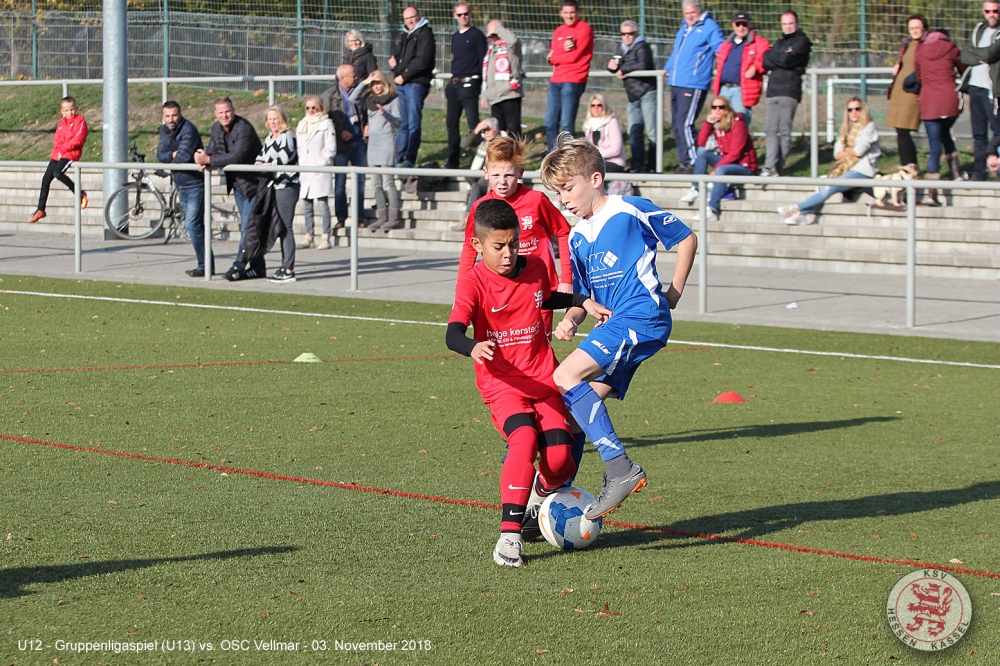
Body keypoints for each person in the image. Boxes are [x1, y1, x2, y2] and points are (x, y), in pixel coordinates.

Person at [540, 134, 698, 520]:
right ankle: (557, 494)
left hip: (640, 317)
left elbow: (686, 238)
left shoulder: (629, 209)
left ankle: (620, 470)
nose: (563, 199)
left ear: (595, 179)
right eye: (557, 192)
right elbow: (583, 298)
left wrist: (674, 292)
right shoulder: (577, 237)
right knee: (575, 408)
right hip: (615, 324)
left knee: (565, 376)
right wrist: (571, 319)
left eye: (568, 188)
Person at [446, 197, 609, 567]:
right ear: (477, 245)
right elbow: (452, 333)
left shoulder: (534, 266)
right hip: (502, 384)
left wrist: (581, 301)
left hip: (543, 378)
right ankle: (509, 538)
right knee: (523, 440)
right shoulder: (473, 283)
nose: (508, 253)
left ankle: (538, 495)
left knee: (561, 459)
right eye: (498, 246)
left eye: (514, 244)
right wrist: (473, 346)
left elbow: (544, 297)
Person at [458, 135, 574, 325]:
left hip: (539, 289)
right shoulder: (480, 207)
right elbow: (470, 248)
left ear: (520, 173)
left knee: (536, 342)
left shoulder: (536, 200)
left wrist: (566, 279)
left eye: (508, 175)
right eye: (496, 175)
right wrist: (462, 291)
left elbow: (563, 232)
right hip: (498, 291)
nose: (502, 182)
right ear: (485, 173)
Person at [777, 97, 879, 225]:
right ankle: (801, 214)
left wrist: (846, 149)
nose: (854, 112)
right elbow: (837, 154)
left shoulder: (869, 126)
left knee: (829, 186)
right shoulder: (846, 129)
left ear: (863, 110)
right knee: (827, 186)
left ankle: (796, 208)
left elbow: (859, 151)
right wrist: (849, 150)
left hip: (863, 169)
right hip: (846, 168)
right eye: (850, 110)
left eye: (857, 109)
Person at [194, 97, 263, 281]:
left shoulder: (244, 128)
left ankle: (239, 265)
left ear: (233, 110)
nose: (224, 115)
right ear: (215, 114)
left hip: (255, 184)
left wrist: (209, 160)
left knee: (248, 226)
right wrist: (202, 159)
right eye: (221, 112)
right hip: (238, 184)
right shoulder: (216, 128)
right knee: (250, 226)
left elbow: (237, 156)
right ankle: (258, 267)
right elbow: (212, 150)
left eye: (227, 111)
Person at [664, 0, 724, 174]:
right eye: (687, 13)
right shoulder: (683, 29)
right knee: (676, 125)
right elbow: (676, 53)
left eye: (693, 13)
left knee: (685, 123)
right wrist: (668, 69)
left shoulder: (709, 27)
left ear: (699, 11)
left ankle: (694, 162)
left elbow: (720, 48)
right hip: (676, 82)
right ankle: (684, 161)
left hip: (693, 83)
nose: (690, 16)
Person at [678, 96, 757, 221]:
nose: (718, 110)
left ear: (728, 109)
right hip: (727, 162)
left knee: (720, 170)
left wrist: (716, 169)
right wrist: (708, 124)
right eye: (714, 107)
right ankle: (696, 188)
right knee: (702, 152)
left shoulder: (738, 124)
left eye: (721, 107)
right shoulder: (717, 124)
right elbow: (701, 143)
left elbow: (736, 153)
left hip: (744, 166)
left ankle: (713, 209)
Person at [914, 28, 968, 202]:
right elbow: (964, 69)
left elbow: (918, 75)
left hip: (929, 100)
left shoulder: (920, 50)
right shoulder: (951, 48)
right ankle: (955, 172)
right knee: (944, 132)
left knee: (934, 146)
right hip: (949, 98)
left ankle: (932, 193)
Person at [157, 101, 209, 277]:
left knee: (192, 225)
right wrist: (172, 154)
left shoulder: (188, 129)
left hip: (195, 184)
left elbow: (183, 157)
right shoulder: (164, 130)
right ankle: (205, 265)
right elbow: (160, 155)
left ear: (180, 114)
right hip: (181, 184)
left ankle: (204, 265)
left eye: (174, 115)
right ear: (163, 116)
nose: (171, 119)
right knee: (196, 226)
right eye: (167, 116)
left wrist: (172, 156)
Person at [760, 11, 812, 177]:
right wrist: (781, 56)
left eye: (791, 23)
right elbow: (766, 60)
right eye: (785, 24)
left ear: (797, 23)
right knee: (770, 130)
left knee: (784, 131)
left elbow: (786, 60)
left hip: (789, 90)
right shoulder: (780, 43)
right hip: (773, 90)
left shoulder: (802, 41)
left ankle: (778, 168)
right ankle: (769, 167)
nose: (788, 27)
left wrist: (779, 58)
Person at [353, 71, 403, 232]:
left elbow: (399, 122)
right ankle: (381, 217)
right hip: (373, 145)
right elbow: (352, 98)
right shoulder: (369, 100)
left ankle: (393, 217)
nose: (376, 87)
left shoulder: (393, 99)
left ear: (384, 83)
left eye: (378, 83)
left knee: (388, 182)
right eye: (373, 84)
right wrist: (364, 82)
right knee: (376, 184)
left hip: (387, 143)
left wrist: (385, 114)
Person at [255, 105, 299, 284]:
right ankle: (285, 265)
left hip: (287, 185)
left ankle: (289, 269)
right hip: (274, 186)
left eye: (276, 118)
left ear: (282, 119)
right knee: (280, 227)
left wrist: (267, 165)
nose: (273, 122)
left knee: (286, 227)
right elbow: (258, 160)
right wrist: (265, 165)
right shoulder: (269, 138)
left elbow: (283, 159)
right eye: (270, 119)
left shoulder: (287, 136)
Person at [607, 20, 657, 173]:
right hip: (632, 95)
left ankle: (653, 166)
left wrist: (622, 69)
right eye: (624, 34)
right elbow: (614, 64)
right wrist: (611, 68)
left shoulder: (642, 46)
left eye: (630, 33)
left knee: (652, 131)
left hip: (647, 91)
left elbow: (643, 64)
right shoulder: (620, 48)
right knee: (634, 131)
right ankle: (637, 164)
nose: (627, 36)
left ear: (636, 34)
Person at [544, 0, 594, 152]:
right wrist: (559, 53)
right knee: (550, 123)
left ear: (578, 12)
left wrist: (554, 57)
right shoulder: (559, 31)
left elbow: (573, 57)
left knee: (566, 124)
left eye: (572, 12)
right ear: (561, 13)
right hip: (556, 80)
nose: (569, 16)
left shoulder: (584, 29)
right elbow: (550, 58)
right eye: (566, 12)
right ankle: (552, 156)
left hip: (573, 80)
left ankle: (568, 158)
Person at [389, 6, 436, 169]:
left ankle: (410, 158)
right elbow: (403, 59)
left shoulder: (425, 34)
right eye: (406, 18)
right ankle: (399, 158)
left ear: (418, 16)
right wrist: (395, 66)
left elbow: (421, 61)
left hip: (415, 84)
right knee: (403, 123)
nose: (409, 20)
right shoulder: (406, 35)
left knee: (413, 123)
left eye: (412, 17)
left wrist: (404, 76)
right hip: (403, 84)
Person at [30, 96, 89, 224]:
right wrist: (56, 152)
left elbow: (78, 139)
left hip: (71, 153)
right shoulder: (61, 125)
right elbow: (57, 140)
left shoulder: (80, 121)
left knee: (58, 173)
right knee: (46, 179)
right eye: (66, 110)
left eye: (72, 109)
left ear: (76, 108)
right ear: (61, 112)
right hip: (59, 154)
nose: (69, 113)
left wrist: (63, 150)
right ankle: (40, 210)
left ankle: (80, 193)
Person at [323, 64, 368, 229]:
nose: (356, 78)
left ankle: (359, 217)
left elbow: (366, 112)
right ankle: (341, 217)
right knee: (340, 182)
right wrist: (339, 131)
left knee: (360, 181)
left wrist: (366, 125)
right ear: (342, 78)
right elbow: (325, 120)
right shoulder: (330, 95)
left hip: (358, 141)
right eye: (352, 75)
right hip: (341, 144)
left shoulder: (360, 92)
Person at [445, 2, 487, 169]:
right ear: (455, 16)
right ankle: (452, 161)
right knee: (451, 123)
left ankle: (481, 161)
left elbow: (482, 60)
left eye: (466, 14)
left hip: (470, 83)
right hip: (454, 84)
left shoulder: (477, 35)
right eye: (460, 14)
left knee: (473, 124)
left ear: (470, 14)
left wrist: (479, 83)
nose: (463, 17)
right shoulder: (455, 36)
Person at [961, 1, 1000, 181]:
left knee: (997, 131)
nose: (992, 14)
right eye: (988, 11)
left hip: (992, 90)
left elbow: (990, 54)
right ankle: (979, 172)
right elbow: (964, 55)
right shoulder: (979, 29)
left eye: (995, 11)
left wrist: (978, 54)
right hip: (975, 87)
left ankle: (997, 171)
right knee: (978, 134)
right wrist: (980, 56)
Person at [711, 11, 770, 127]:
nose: (741, 27)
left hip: (740, 91)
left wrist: (755, 67)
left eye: (744, 24)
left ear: (749, 25)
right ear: (733, 25)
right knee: (719, 126)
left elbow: (766, 59)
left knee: (739, 127)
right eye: (738, 24)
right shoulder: (726, 44)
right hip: (723, 90)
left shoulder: (759, 43)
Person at [887, 15, 927, 174]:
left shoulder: (926, 44)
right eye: (911, 28)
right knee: (900, 130)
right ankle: (906, 166)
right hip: (900, 91)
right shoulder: (907, 44)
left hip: (912, 91)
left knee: (904, 129)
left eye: (917, 27)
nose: (914, 31)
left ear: (924, 27)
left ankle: (910, 166)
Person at [296, 95, 337, 250]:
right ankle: (309, 236)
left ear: (320, 107)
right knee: (306, 205)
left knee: (322, 204)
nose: (311, 110)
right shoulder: (302, 124)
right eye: (308, 108)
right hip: (305, 170)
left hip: (319, 170)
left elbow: (330, 148)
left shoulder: (326, 124)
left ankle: (326, 236)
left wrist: (321, 163)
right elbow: (299, 148)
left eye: (314, 107)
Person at [481, 20, 524, 138]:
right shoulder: (491, 51)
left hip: (510, 95)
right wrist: (485, 95)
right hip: (495, 98)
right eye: (490, 36)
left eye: (495, 34)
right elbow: (487, 76)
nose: (493, 38)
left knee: (514, 131)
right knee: (498, 133)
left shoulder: (511, 48)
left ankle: (515, 150)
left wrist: (498, 30)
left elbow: (513, 41)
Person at [582, 94, 626, 172]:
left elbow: (616, 150)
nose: (596, 108)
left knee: (589, 170)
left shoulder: (612, 121)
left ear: (604, 106)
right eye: (593, 105)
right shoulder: (588, 125)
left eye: (599, 105)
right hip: (597, 161)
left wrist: (595, 155)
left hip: (614, 162)